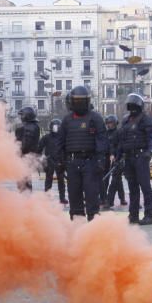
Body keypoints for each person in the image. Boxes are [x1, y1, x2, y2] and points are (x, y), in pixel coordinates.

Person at [58, 86, 108, 221]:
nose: (79, 103)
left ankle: (93, 227)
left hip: (90, 162)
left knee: (92, 195)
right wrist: (61, 162)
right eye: (77, 100)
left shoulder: (95, 118)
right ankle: (77, 226)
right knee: (74, 195)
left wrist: (100, 160)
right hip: (72, 162)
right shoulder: (67, 120)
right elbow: (60, 142)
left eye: (82, 100)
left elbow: (102, 140)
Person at [118, 93, 152, 225]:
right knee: (132, 188)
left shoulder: (146, 120)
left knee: (145, 187)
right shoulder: (125, 120)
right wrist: (119, 155)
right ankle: (133, 214)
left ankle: (148, 215)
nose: (132, 108)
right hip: (129, 157)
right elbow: (121, 140)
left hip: (141, 156)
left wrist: (149, 152)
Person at [102, 114, 127, 210]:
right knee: (116, 180)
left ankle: (109, 201)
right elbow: (109, 145)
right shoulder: (105, 133)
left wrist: (117, 156)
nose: (110, 125)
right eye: (108, 123)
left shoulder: (119, 133)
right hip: (108, 158)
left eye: (111, 123)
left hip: (118, 158)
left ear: (116, 123)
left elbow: (120, 146)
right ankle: (121, 198)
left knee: (115, 180)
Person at [14, 106, 41, 192]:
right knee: (27, 181)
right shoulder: (34, 126)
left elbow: (25, 144)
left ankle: (25, 201)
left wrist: (19, 153)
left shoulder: (29, 127)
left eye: (22, 115)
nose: (20, 117)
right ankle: (27, 201)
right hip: (29, 157)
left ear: (26, 116)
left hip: (25, 157)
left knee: (22, 181)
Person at [40, 119, 67, 204]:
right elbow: (39, 147)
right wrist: (41, 158)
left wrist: (66, 160)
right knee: (48, 180)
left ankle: (62, 198)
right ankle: (47, 198)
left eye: (57, 126)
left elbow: (67, 149)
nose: (55, 128)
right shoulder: (47, 137)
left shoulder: (63, 137)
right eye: (54, 126)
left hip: (60, 161)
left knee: (61, 181)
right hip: (49, 160)